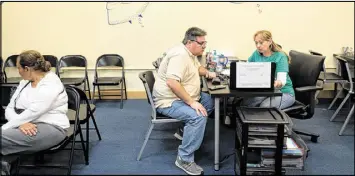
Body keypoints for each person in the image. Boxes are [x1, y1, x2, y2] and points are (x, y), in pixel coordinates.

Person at [153, 27, 216, 175]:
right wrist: (192, 102)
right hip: (168, 101)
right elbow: (172, 82)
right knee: (198, 116)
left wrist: (207, 73)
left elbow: (197, 68)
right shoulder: (180, 55)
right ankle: (184, 158)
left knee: (211, 102)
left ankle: (184, 132)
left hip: (183, 97)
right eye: (202, 43)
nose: (204, 46)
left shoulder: (190, 54)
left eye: (205, 42)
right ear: (190, 42)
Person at [1, 50, 69, 173]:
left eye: (18, 68)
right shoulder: (24, 83)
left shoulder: (51, 83)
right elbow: (10, 108)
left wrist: (7, 127)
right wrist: (20, 123)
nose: (18, 71)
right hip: (24, 125)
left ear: (26, 69)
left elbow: (34, 111)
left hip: (51, 127)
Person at [242, 30, 295, 109]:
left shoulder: (281, 56)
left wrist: (277, 83)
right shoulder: (256, 53)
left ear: (269, 41)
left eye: (261, 42)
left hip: (284, 92)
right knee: (246, 103)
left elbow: (282, 81)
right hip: (265, 91)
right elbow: (246, 67)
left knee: (264, 107)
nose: (258, 46)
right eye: (256, 43)